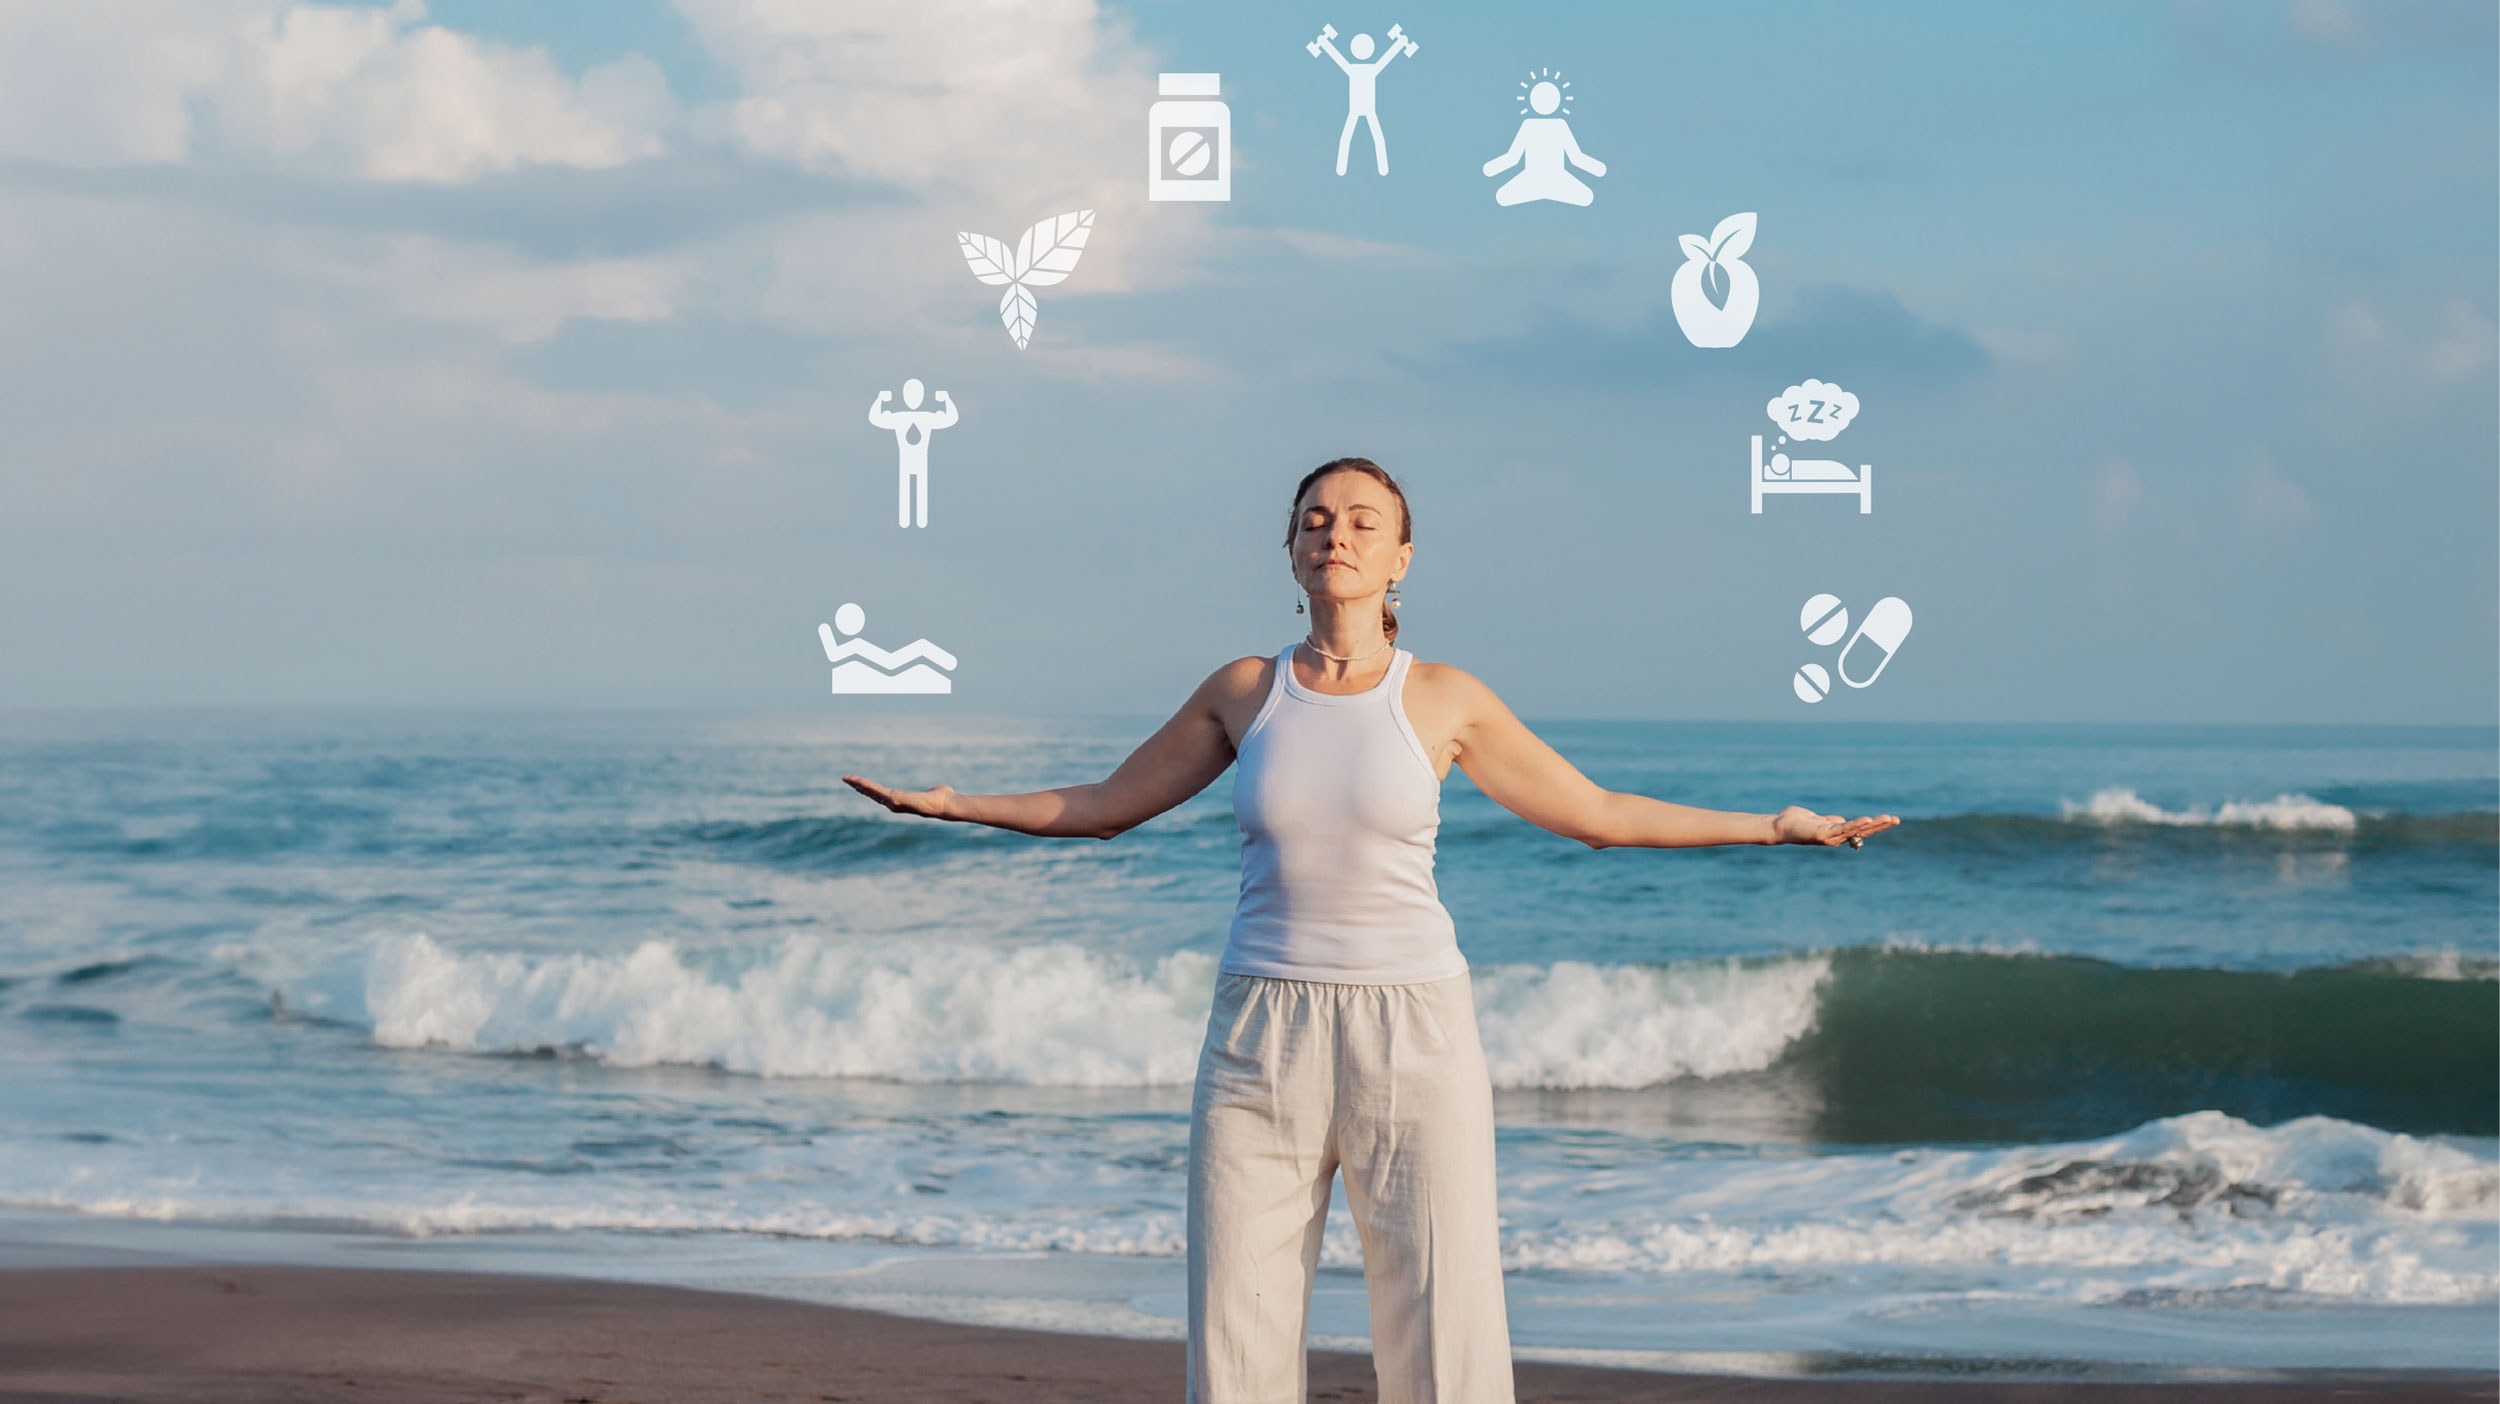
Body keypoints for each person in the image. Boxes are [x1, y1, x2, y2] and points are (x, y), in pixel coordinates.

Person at [844, 458, 1899, 1403]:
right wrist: (959, 804)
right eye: (1314, 520)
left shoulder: (1442, 698)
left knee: (1441, 1325)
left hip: (1412, 1031)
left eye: (1359, 521)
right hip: (1257, 1034)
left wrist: (1775, 826)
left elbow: (1600, 818)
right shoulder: (1244, 691)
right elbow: (1109, 804)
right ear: (1291, 551)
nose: (1333, 535)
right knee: (1235, 1328)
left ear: (1401, 556)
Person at [1482, 79, 1606, 207]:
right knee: (1587, 197)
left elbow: (1512, 159)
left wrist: (1490, 169)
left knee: (1502, 197)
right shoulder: (1547, 125)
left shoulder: (1542, 125)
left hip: (1548, 179)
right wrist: (1598, 169)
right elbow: (1576, 159)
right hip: (1540, 179)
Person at [1313, 31, 1412, 176]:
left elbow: (1339, 59)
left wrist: (1326, 44)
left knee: (1349, 137)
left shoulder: (1356, 69)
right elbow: (1385, 60)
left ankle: (1343, 168)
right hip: (1361, 109)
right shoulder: (1366, 69)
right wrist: (1398, 44)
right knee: (1374, 137)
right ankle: (1380, 168)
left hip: (1363, 109)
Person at [868, 378, 957, 528]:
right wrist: (880, 400)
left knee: (920, 491)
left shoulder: (925, 417)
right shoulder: (901, 417)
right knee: (906, 492)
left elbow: (951, 418)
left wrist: (946, 399)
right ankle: (908, 520)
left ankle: (919, 520)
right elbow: (876, 418)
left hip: (920, 459)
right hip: (906, 459)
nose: (913, 399)